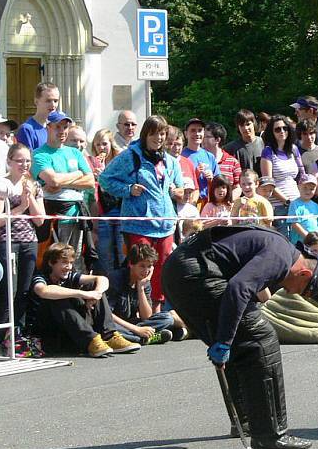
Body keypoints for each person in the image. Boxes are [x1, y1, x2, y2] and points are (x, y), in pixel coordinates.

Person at [162, 224, 318, 449]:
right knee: (261, 339)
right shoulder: (280, 257)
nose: (296, 295)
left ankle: (246, 422)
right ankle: (271, 434)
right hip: (194, 273)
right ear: (303, 274)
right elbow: (239, 288)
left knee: (243, 343)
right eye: (302, 291)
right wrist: (223, 340)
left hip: (181, 271)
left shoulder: (292, 259)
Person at [99, 115, 184, 310]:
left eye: (162, 133)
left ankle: (157, 309)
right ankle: (136, 309)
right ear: (145, 134)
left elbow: (179, 187)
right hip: (138, 224)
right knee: (140, 267)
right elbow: (105, 179)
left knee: (162, 267)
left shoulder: (170, 161)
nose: (159, 138)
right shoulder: (130, 156)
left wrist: (179, 192)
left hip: (165, 225)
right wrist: (128, 190)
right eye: (154, 133)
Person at [29, 242, 141, 357]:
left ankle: (109, 336)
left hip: (70, 330)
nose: (68, 267)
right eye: (64, 263)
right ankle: (91, 340)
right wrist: (83, 294)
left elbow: (102, 279)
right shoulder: (40, 277)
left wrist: (95, 294)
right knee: (57, 296)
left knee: (94, 286)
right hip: (49, 333)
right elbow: (43, 291)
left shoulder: (69, 276)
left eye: (71, 263)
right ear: (51, 263)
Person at [31, 111, 95, 268]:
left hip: (77, 214)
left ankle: (75, 291)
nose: (62, 131)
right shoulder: (39, 154)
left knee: (76, 259)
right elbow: (52, 179)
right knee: (56, 260)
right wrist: (78, 174)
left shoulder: (74, 152)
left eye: (65, 127)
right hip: (54, 215)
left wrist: (61, 182)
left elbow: (90, 181)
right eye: (57, 127)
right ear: (48, 127)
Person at [0, 144, 45, 333]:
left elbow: (40, 220)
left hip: (29, 241)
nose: (24, 164)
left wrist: (29, 198)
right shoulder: (2, 185)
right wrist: (20, 208)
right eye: (19, 160)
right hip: (6, 241)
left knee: (24, 290)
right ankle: (1, 335)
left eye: (27, 161)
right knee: (9, 289)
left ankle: (19, 332)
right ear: (9, 161)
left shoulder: (35, 185)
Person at [106, 243, 180, 345]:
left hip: (132, 323)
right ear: (131, 264)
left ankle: (136, 336)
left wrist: (140, 288)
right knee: (110, 330)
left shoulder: (144, 282)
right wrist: (136, 329)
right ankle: (143, 338)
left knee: (167, 318)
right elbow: (107, 315)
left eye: (149, 266)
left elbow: (147, 317)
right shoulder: (115, 278)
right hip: (115, 323)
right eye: (142, 266)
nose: (146, 271)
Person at [260, 114, 306, 237]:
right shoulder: (268, 152)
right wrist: (286, 201)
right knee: (284, 241)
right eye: (277, 129)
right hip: (279, 206)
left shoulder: (294, 149)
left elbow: (301, 176)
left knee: (299, 241)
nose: (282, 131)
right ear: (272, 132)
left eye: (285, 128)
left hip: (296, 203)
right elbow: (268, 184)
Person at [88, 129, 125, 270]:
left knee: (122, 251)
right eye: (98, 145)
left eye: (104, 144)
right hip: (103, 212)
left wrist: (103, 176)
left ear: (111, 144)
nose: (101, 148)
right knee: (104, 252)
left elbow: (118, 189)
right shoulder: (92, 164)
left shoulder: (120, 161)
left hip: (121, 211)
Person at [182, 118, 221, 206]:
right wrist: (195, 174)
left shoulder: (209, 156)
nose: (197, 134)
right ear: (186, 134)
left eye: (200, 130)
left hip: (207, 202)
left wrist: (212, 178)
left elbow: (219, 182)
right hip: (188, 201)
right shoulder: (181, 156)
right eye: (193, 130)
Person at [16, 82, 59, 151]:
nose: (53, 105)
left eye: (55, 101)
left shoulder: (58, 127)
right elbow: (27, 159)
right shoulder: (27, 129)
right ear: (36, 101)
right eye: (48, 101)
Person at [204, 122, 242, 196]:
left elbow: (238, 187)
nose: (202, 139)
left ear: (217, 140)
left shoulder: (233, 162)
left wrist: (227, 201)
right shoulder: (199, 159)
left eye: (207, 137)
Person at [226, 109, 264, 173]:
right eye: (242, 125)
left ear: (253, 123)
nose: (245, 128)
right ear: (238, 127)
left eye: (248, 124)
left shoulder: (264, 143)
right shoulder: (231, 148)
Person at [287, 174, 318, 244]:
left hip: (315, 241)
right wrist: (307, 237)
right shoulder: (294, 204)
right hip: (300, 241)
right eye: (305, 188)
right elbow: (294, 223)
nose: (308, 191)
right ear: (299, 187)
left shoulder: (316, 205)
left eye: (311, 189)